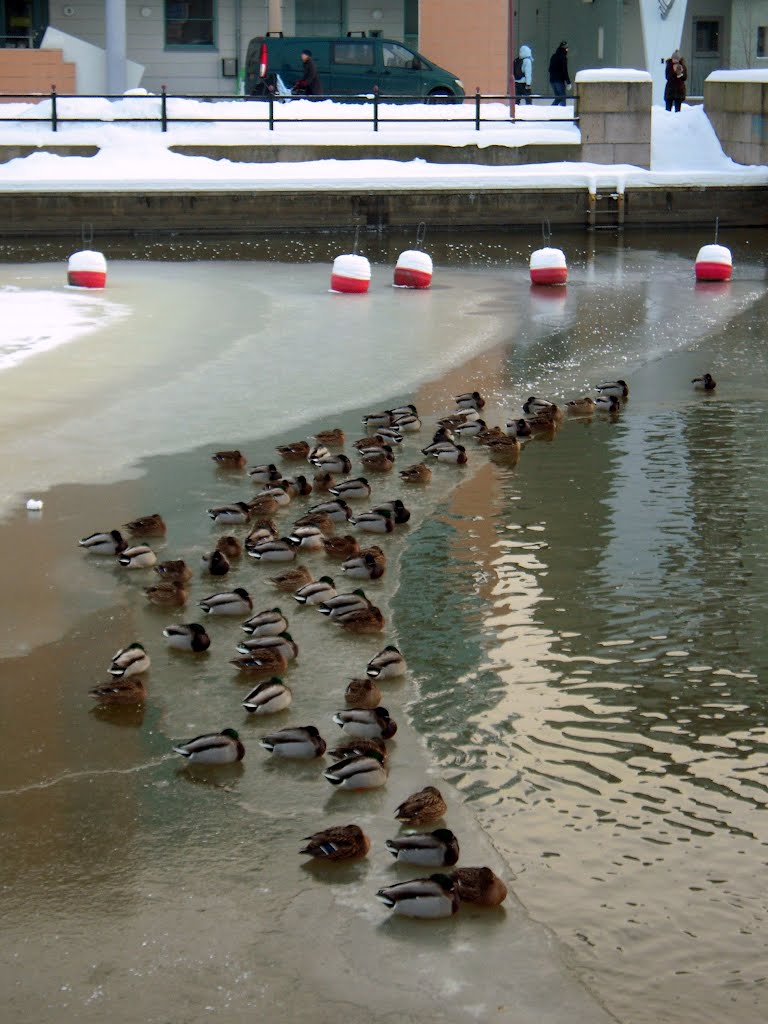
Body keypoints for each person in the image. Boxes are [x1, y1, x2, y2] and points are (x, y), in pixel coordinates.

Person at [548, 40, 570, 107]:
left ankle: (551, 109)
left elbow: (549, 69)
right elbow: (564, 70)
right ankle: (563, 112)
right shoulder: (563, 57)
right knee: (562, 97)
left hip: (552, 80)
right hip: (559, 80)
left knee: (558, 98)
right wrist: (568, 82)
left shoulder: (554, 56)